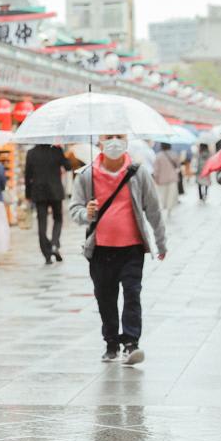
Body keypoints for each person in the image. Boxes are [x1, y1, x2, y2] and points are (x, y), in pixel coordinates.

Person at [69, 133, 168, 365]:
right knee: (105, 298)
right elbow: (74, 209)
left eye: (119, 136)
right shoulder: (86, 175)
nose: (114, 141)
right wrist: (86, 213)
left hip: (132, 248)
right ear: (100, 141)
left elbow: (153, 209)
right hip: (100, 249)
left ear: (126, 141)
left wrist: (160, 242)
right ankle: (111, 343)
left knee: (132, 294)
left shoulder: (138, 173)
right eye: (109, 136)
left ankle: (131, 342)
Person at [24, 143, 73, 264]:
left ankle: (47, 253)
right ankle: (55, 244)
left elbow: (27, 175)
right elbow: (68, 167)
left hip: (39, 192)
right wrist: (66, 157)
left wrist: (28, 194)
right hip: (55, 190)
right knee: (58, 219)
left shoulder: (31, 153)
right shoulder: (56, 150)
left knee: (42, 223)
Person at [153, 142, 180, 214]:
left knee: (163, 194)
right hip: (172, 178)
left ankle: (164, 206)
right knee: (171, 194)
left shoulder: (158, 156)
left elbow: (156, 169)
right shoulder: (174, 154)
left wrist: (156, 178)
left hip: (162, 179)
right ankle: (169, 208)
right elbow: (178, 165)